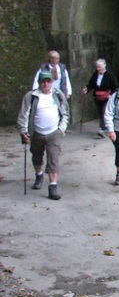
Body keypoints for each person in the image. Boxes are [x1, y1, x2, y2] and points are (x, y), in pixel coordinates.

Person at [17, 70, 70, 200]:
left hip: (54, 133)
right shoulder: (31, 96)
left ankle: (53, 186)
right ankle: (39, 175)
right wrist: (23, 131)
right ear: (39, 82)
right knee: (37, 157)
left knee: (53, 158)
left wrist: (61, 129)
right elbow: (23, 115)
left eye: (48, 81)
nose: (46, 84)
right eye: (43, 81)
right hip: (36, 132)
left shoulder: (57, 95)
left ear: (51, 82)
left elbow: (66, 113)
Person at [83, 59, 118, 138]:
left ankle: (102, 129)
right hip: (98, 96)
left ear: (104, 66)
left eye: (99, 67)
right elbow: (91, 84)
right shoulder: (96, 74)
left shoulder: (110, 75)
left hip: (107, 97)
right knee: (101, 112)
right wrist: (87, 90)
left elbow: (116, 87)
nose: (98, 69)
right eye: (97, 67)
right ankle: (106, 128)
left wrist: (111, 95)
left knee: (104, 112)